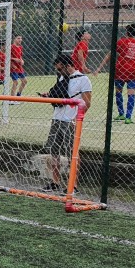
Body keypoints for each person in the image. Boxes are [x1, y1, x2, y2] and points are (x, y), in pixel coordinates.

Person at [38, 54, 92, 193]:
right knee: (54, 152)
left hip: (70, 121)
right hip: (57, 119)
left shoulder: (83, 79)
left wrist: (76, 119)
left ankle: (73, 185)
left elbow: (87, 103)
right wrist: (49, 95)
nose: (59, 72)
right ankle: (55, 182)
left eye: (60, 69)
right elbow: (60, 94)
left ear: (68, 66)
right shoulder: (62, 78)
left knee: (72, 153)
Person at [95, 24, 135, 124]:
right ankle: (128, 117)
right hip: (133, 71)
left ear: (127, 32)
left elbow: (110, 54)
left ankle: (121, 113)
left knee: (118, 92)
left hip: (121, 70)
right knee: (131, 94)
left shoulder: (121, 42)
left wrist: (99, 68)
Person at [8, 35, 27, 102]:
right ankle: (11, 99)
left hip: (19, 67)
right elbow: (7, 56)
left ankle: (18, 95)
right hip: (13, 67)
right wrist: (14, 60)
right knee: (15, 82)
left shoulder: (21, 47)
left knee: (24, 81)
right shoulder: (11, 47)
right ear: (14, 39)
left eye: (21, 38)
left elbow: (20, 56)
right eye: (18, 38)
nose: (20, 40)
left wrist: (22, 60)